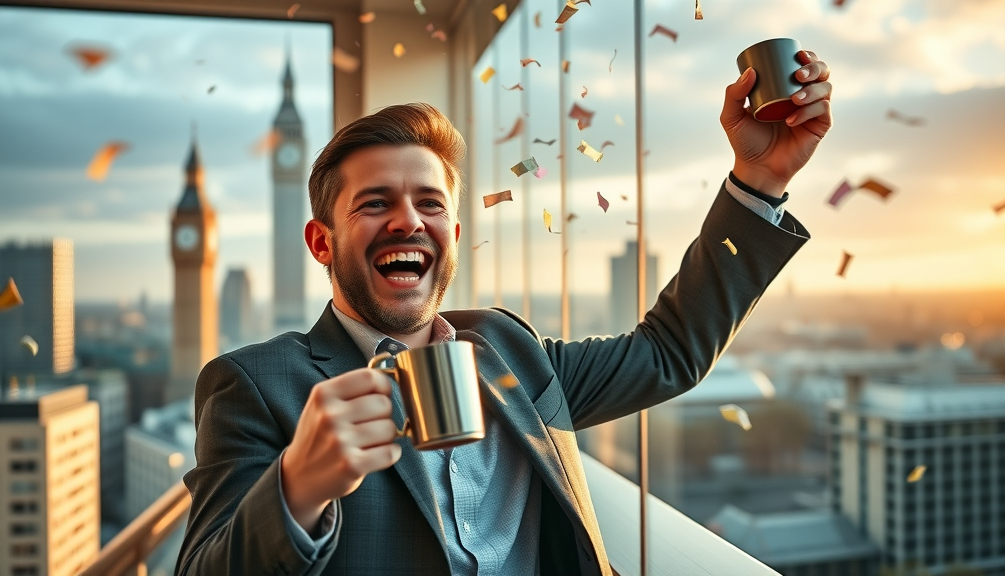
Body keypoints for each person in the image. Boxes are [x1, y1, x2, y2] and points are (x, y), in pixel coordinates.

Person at [176, 51, 832, 575]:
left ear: (453, 236)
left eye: (430, 204)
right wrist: (296, 488)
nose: (408, 221)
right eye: (375, 203)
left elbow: (666, 354)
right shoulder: (255, 385)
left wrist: (761, 179)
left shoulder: (507, 348)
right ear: (321, 242)